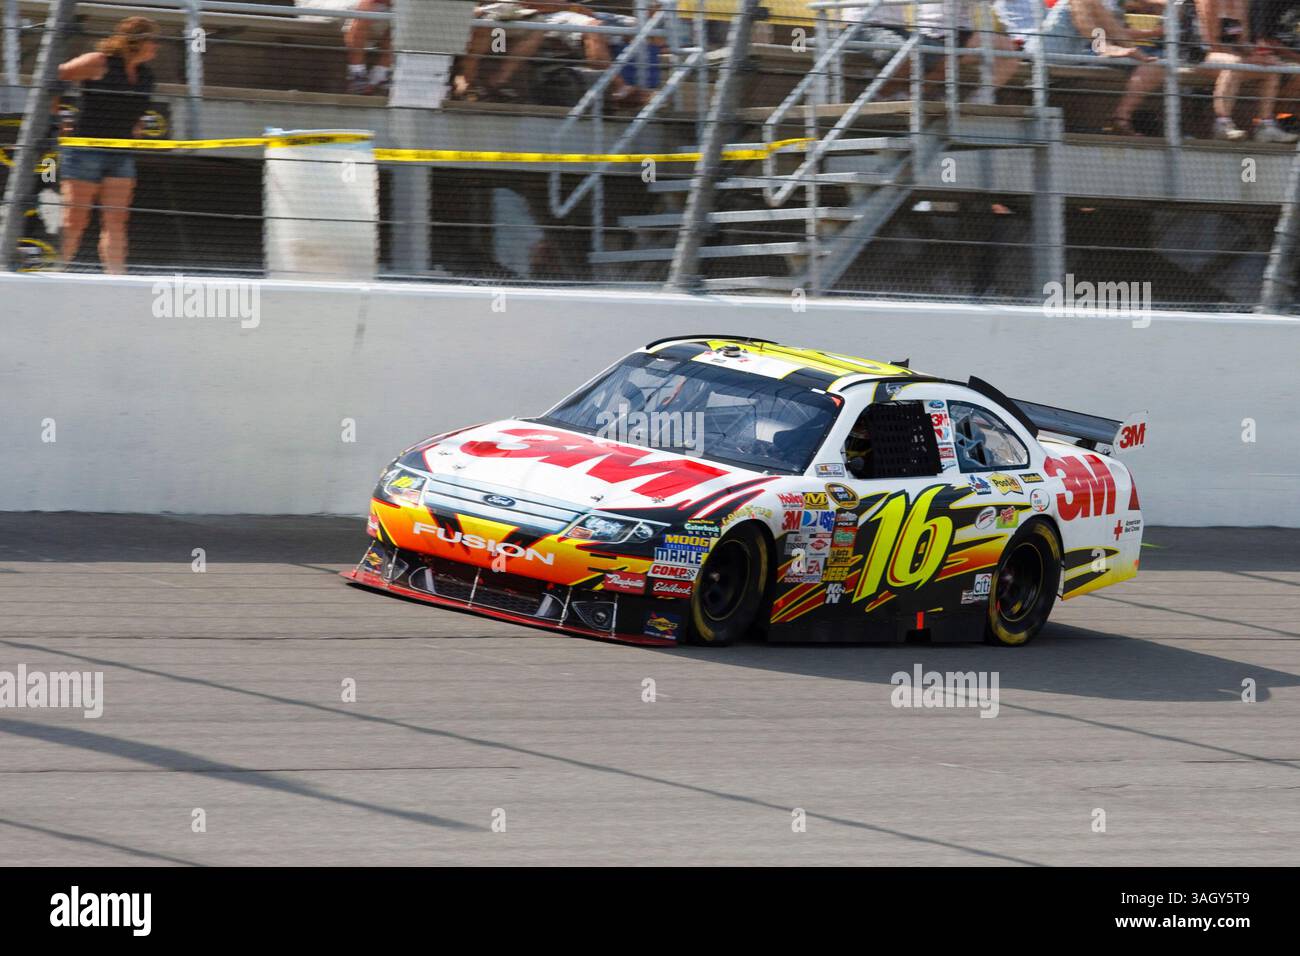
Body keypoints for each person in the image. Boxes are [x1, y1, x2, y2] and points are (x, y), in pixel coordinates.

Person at [56, 16, 159, 274]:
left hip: (120, 153)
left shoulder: (147, 76)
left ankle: (116, 280)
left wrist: (136, 128)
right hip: (84, 149)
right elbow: (55, 76)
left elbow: (135, 111)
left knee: (116, 220)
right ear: (136, 41)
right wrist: (55, 118)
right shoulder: (99, 62)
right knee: (75, 220)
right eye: (152, 40)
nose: (156, 46)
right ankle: (52, 272)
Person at [1196, 0, 1297, 140]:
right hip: (1204, 56)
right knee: (1234, 64)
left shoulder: (1241, 3)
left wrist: (1260, 55)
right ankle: (1222, 124)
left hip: (1234, 56)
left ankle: (1265, 126)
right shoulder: (1210, 3)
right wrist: (1246, 59)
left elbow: (1242, 42)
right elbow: (1213, 44)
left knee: (1271, 68)